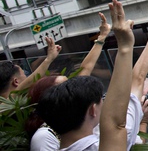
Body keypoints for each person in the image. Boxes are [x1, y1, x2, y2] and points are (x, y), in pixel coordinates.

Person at [27, 12, 111, 150]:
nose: (71, 88)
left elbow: (85, 68)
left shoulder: (73, 119)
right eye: (64, 87)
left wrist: (102, 37)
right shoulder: (44, 137)